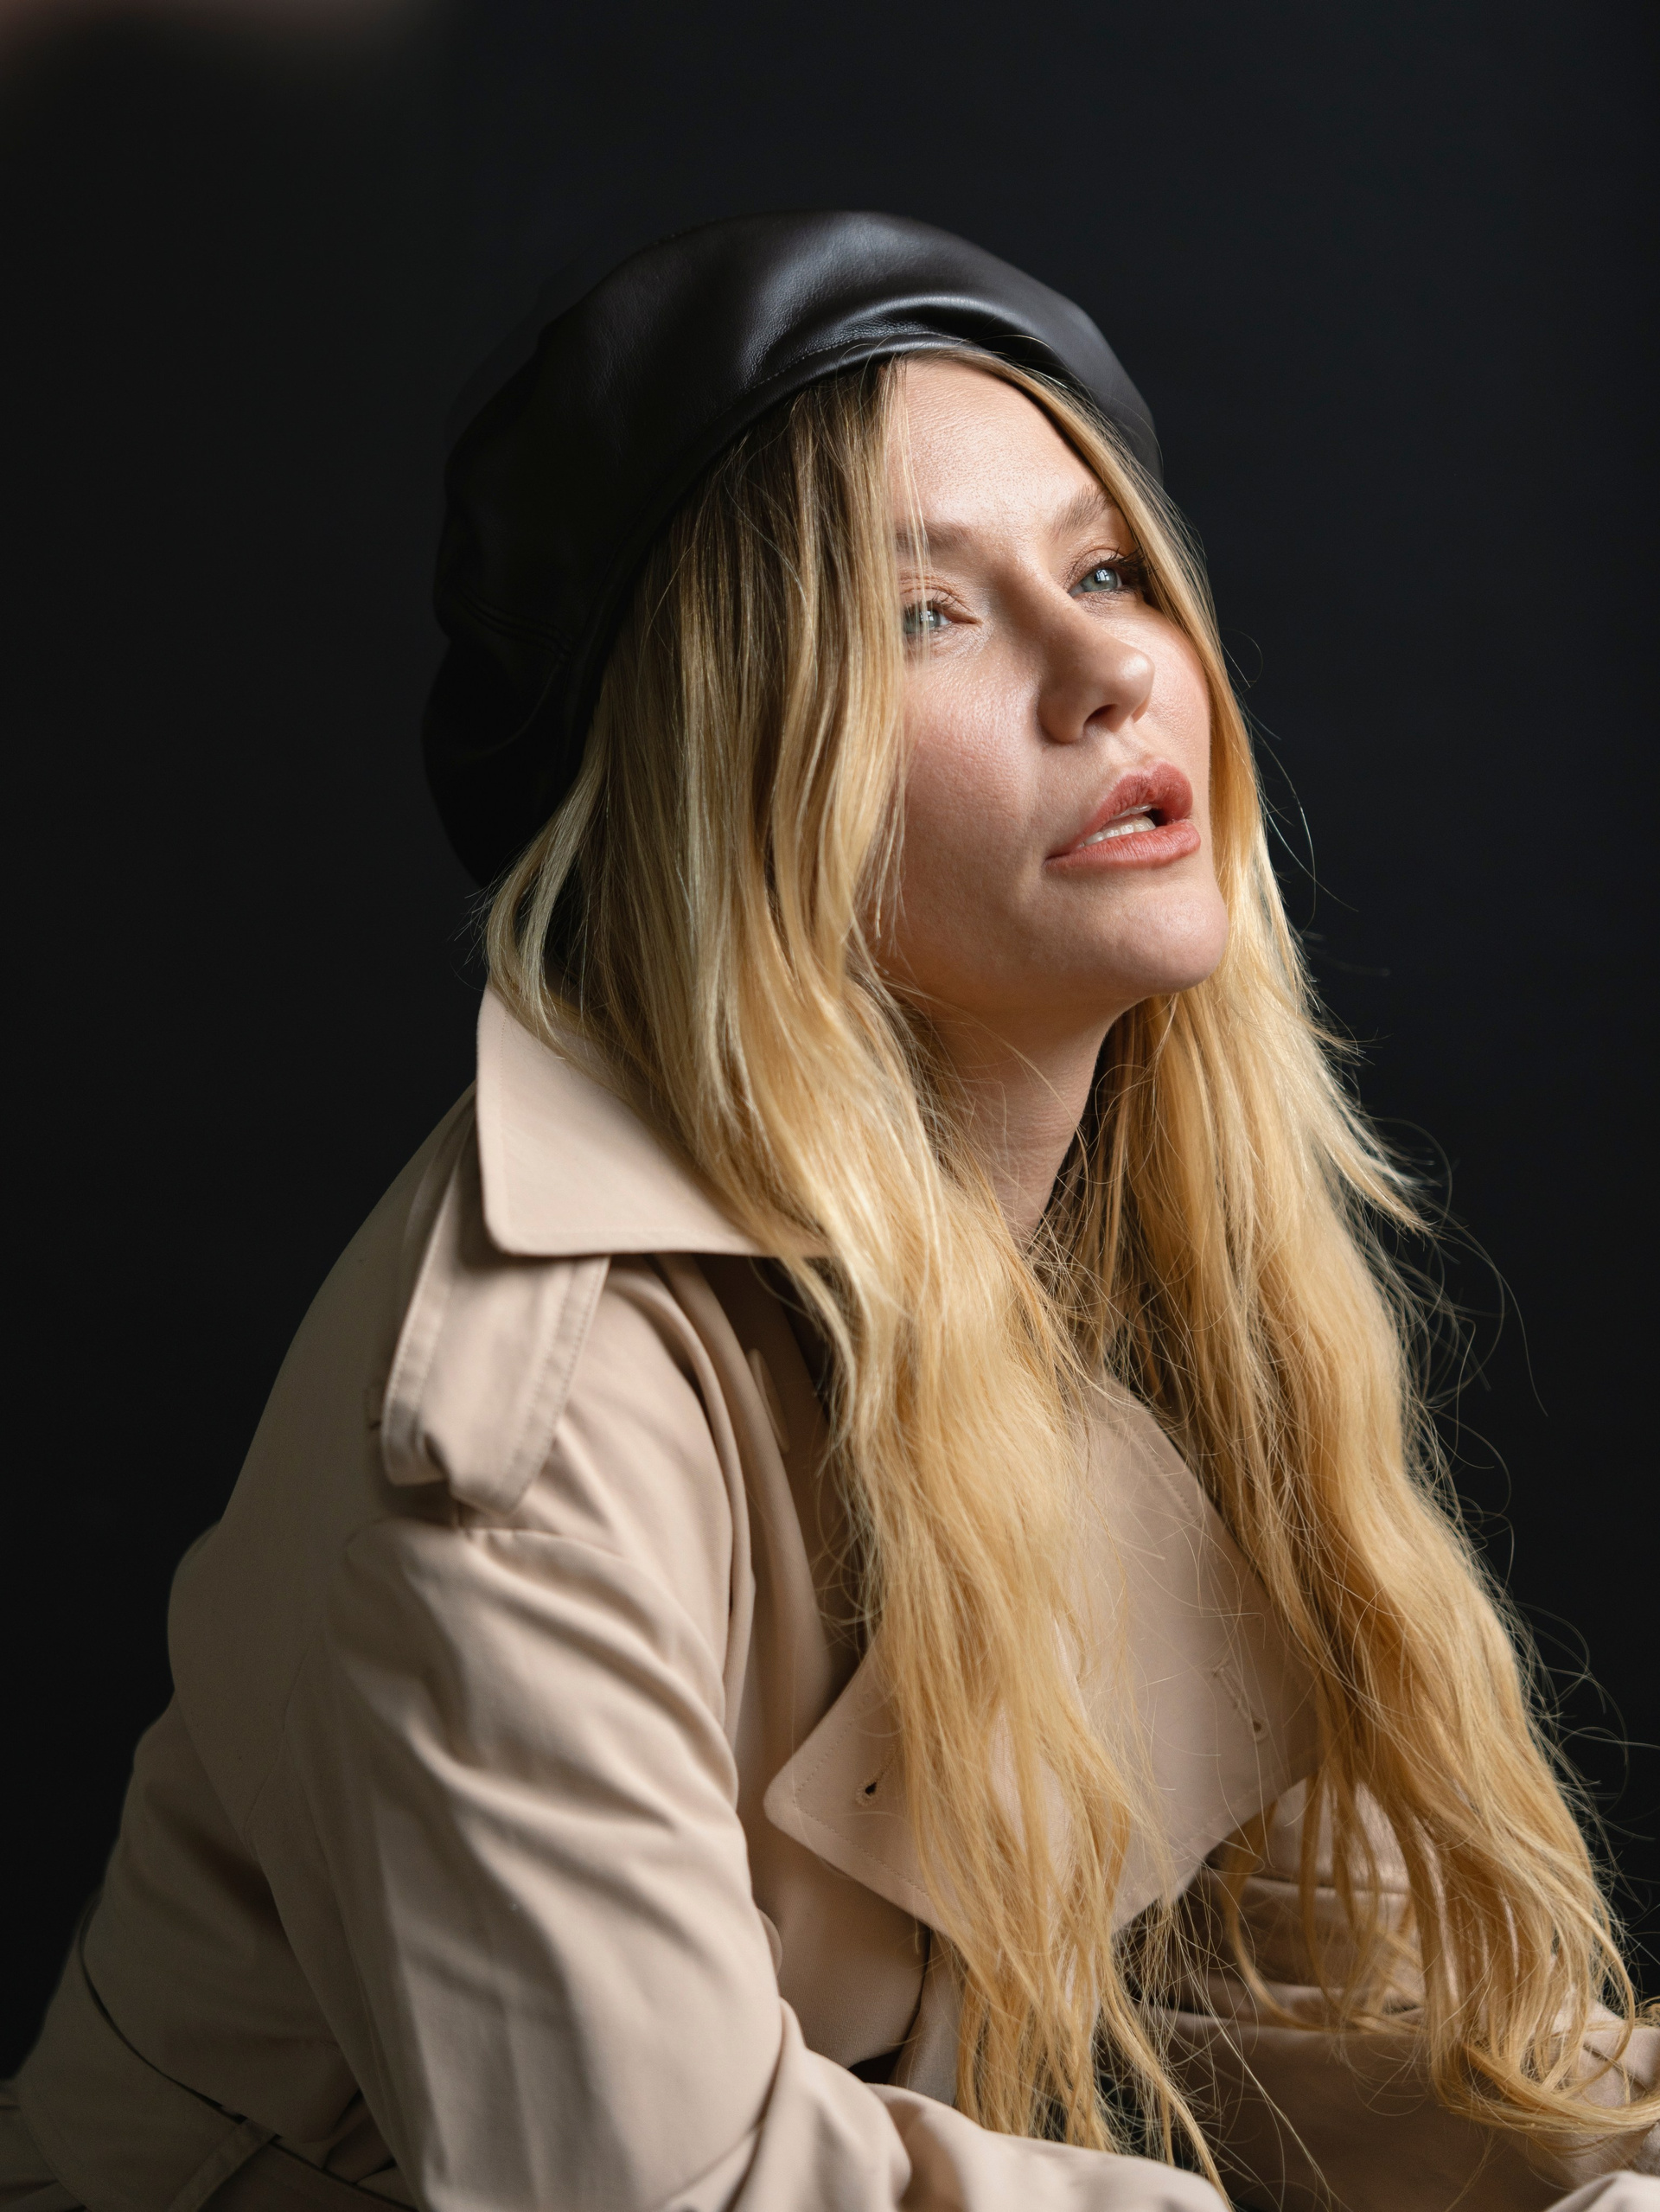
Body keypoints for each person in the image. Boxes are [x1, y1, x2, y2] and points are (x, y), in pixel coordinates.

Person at [5, 211, 1657, 2212]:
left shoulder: (1112, 1284)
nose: (1110, 669)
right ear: (729, 776)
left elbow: (1301, 2008)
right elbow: (670, 2189)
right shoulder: (528, 1428)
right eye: (928, 615)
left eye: (1107, 569)